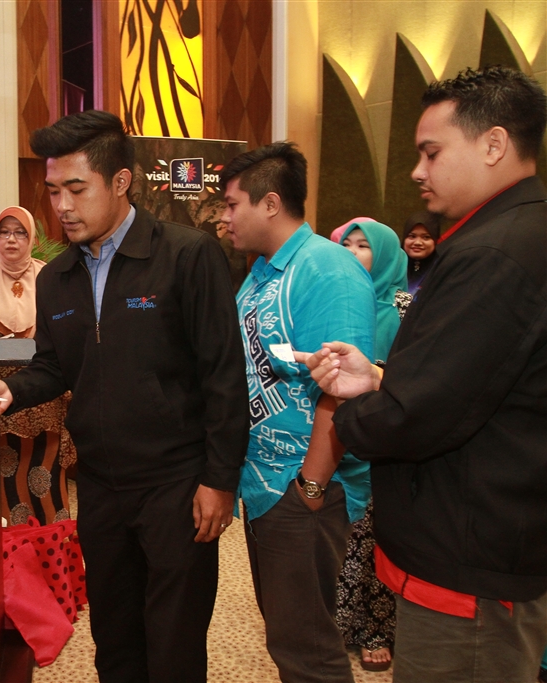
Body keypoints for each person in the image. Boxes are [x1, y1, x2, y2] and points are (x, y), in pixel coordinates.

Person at [0, 110, 249, 682]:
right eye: (54, 192)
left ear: (120, 182)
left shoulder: (186, 256)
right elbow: (54, 366)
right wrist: (11, 388)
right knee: (115, 641)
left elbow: (223, 376)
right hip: (98, 487)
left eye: (77, 189)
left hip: (176, 485)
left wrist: (220, 481)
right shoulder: (58, 278)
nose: (62, 206)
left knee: (174, 645)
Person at [294, 66, 547, 683]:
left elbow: (417, 417)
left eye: (432, 153)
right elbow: (478, 381)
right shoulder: (516, 231)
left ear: (493, 144)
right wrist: (380, 379)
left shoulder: (493, 252)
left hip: (468, 560)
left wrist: (351, 411)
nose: (417, 170)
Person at [220, 142, 375, 683]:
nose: (224, 217)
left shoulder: (328, 271)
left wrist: (310, 487)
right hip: (266, 484)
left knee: (308, 650)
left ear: (269, 203)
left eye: (232, 204)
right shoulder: (263, 271)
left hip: (305, 488)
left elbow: (341, 387)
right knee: (288, 635)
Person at [0, 205, 75, 525]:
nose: (11, 239)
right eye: (4, 233)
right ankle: (13, 556)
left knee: (45, 479)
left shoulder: (50, 278)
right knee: (6, 482)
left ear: (32, 239)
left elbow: (67, 336)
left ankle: (50, 551)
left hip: (45, 398)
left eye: (20, 232)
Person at [335, 219, 407, 672]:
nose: (353, 252)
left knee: (376, 538)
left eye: (363, 246)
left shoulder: (404, 309)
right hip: (339, 434)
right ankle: (341, 623)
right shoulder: (338, 299)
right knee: (341, 538)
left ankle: (377, 628)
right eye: (346, 244)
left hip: (385, 442)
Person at [400, 211, 441, 294]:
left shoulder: (441, 269)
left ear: (435, 240)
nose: (417, 242)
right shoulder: (394, 268)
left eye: (426, 237)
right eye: (412, 236)